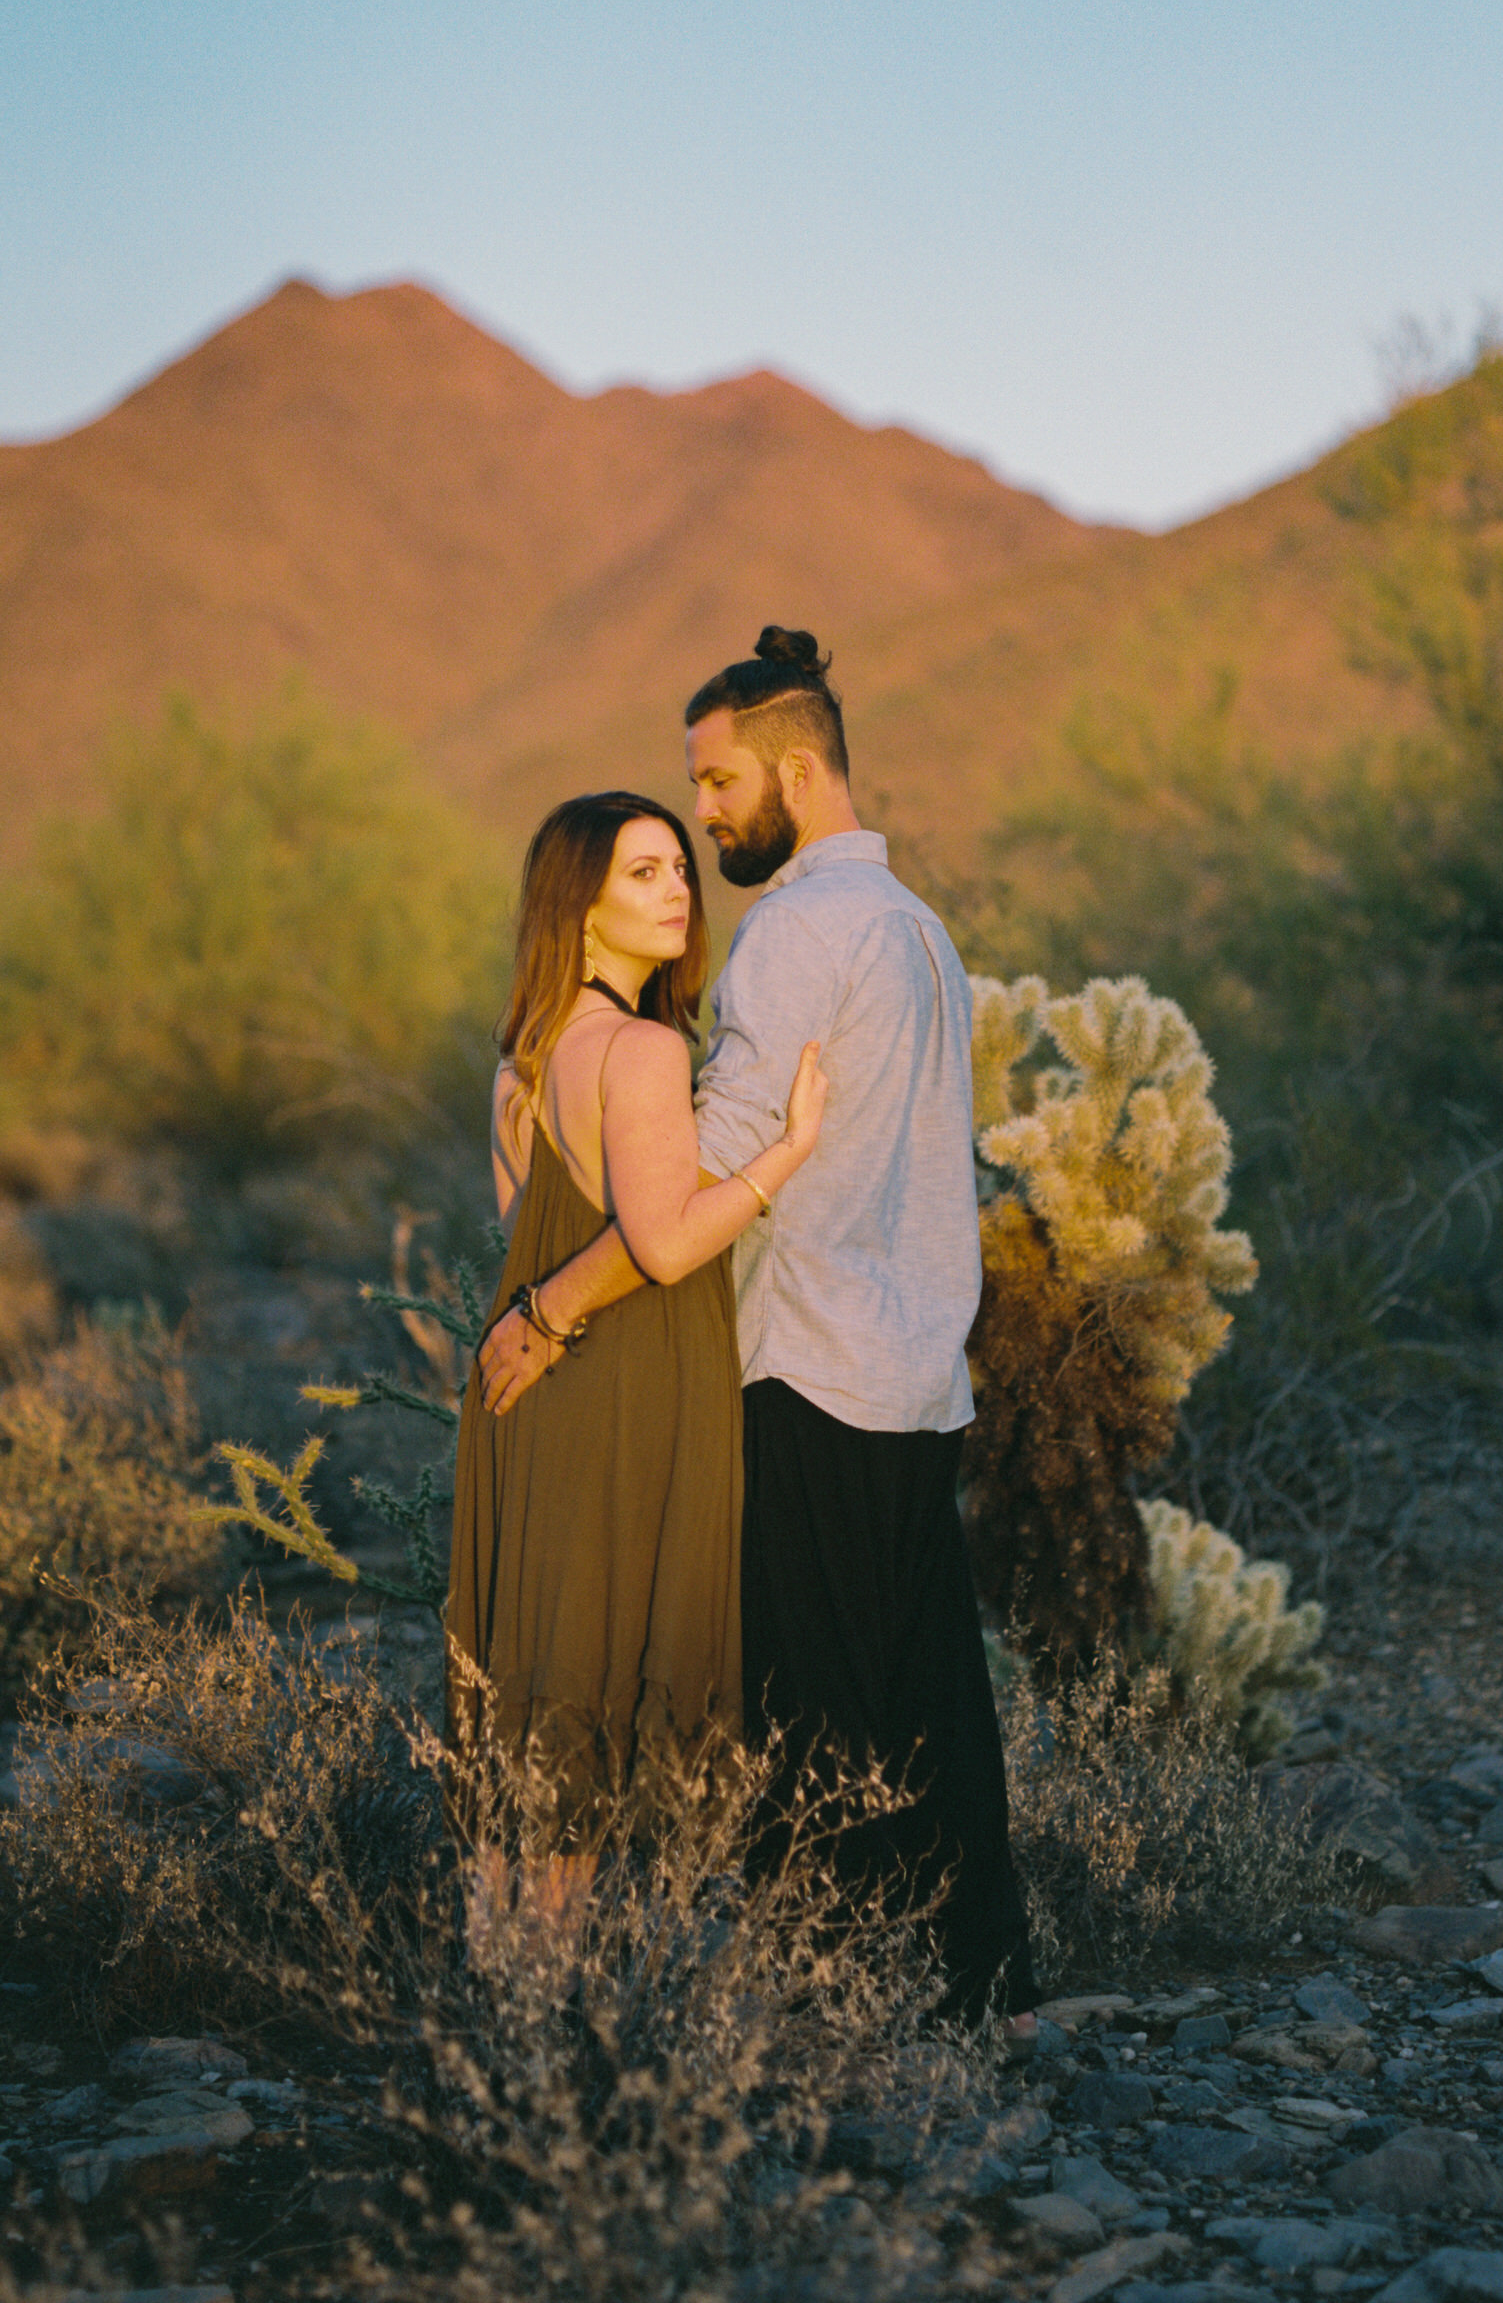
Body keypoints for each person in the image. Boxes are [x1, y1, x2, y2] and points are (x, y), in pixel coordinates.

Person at [479, 632, 1039, 2025]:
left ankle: (822, 2011)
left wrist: (551, 1307)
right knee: (930, 1703)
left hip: (804, 1367)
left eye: (718, 786)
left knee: (806, 1723)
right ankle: (983, 1990)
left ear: (797, 768)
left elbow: (701, 1175)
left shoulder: (797, 932)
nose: (708, 814)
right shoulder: (920, 928)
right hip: (915, 1371)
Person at [446, 790, 824, 1920]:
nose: (676, 893)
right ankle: (563, 2008)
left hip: (532, 1393)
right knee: (606, 1670)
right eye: (642, 874)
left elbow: (523, 1228)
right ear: (583, 908)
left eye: (677, 869)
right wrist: (781, 1157)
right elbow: (661, 1243)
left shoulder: (521, 1064)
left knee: (536, 1671)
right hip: (631, 1384)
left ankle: (505, 1988)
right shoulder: (646, 1048)